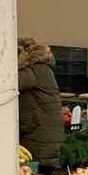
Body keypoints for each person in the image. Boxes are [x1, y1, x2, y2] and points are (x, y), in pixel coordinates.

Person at [17, 37, 64, 166]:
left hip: (39, 137)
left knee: (37, 174)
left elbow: (9, 83)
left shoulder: (35, 71)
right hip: (43, 134)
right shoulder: (42, 69)